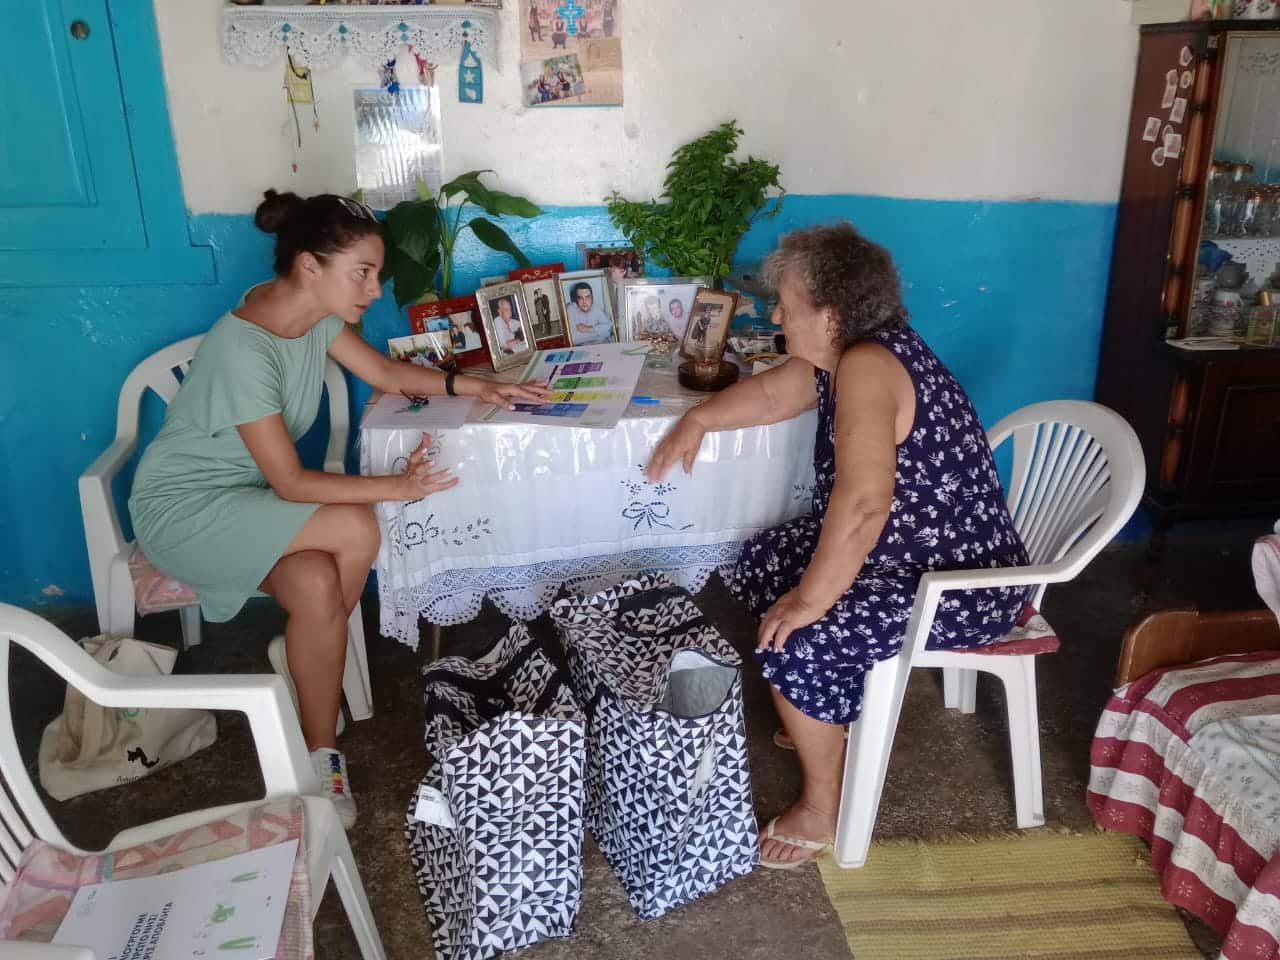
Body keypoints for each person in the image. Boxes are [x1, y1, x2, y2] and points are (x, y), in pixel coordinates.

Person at [128, 191, 546, 829]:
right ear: (308, 266)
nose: (375, 290)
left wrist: (479, 385)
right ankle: (315, 655)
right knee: (355, 525)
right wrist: (397, 488)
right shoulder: (246, 350)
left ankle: (318, 750)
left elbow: (383, 373)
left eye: (374, 274)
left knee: (319, 585)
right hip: (184, 509)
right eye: (363, 273)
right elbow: (293, 483)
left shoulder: (313, 317)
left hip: (250, 501)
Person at [646, 223, 1029, 869]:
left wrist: (811, 601)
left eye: (787, 303)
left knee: (796, 638)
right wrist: (698, 418)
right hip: (907, 553)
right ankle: (828, 713)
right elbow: (774, 393)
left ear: (832, 313)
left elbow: (862, 507)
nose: (776, 313)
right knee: (765, 559)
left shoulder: (870, 366)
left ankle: (826, 803)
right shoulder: (846, 356)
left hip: (960, 581)